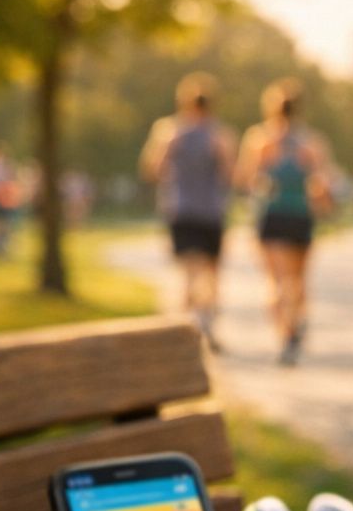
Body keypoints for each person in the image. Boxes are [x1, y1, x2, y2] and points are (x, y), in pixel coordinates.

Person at [238, 78, 330, 366]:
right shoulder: (312, 143)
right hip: (301, 216)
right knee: (297, 281)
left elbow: (246, 179)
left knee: (276, 282)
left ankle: (285, 335)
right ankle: (296, 321)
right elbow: (323, 184)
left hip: (273, 215)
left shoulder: (260, 140)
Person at [140, 73, 235, 350]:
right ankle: (204, 323)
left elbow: (152, 170)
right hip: (211, 212)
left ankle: (187, 327)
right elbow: (232, 175)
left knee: (190, 273)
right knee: (211, 274)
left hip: (182, 209)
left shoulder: (170, 131)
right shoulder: (221, 135)